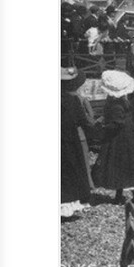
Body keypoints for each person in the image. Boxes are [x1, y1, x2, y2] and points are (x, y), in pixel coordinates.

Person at [91, 70, 134, 205]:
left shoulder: (116, 104)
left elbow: (117, 123)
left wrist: (102, 128)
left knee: (119, 165)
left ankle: (129, 194)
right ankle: (123, 194)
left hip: (120, 138)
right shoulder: (122, 101)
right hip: (128, 137)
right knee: (123, 166)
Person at [60, 66, 96, 217]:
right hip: (69, 140)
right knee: (72, 170)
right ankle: (68, 206)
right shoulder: (73, 100)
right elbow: (84, 121)